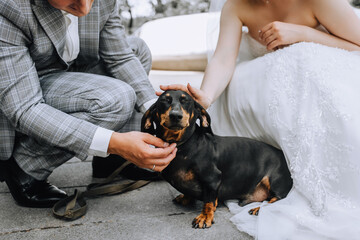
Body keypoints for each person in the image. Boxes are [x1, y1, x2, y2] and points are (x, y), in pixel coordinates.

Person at [160, 0, 360, 239]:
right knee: (239, 81)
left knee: (304, 61)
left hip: (325, 76)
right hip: (267, 90)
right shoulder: (235, 6)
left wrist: (303, 34)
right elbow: (224, 59)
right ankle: (251, 172)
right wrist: (207, 96)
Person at [0, 0, 177, 208]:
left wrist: (156, 114)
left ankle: (112, 162)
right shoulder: (10, 7)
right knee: (116, 98)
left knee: (137, 50)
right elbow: (25, 109)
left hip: (71, 72)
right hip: (27, 87)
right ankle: (27, 167)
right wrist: (116, 143)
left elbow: (120, 58)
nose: (84, 9)